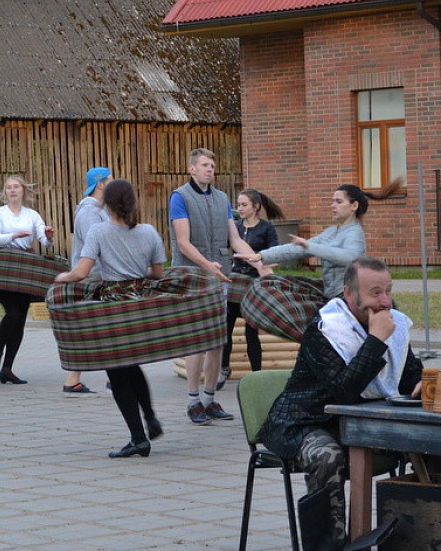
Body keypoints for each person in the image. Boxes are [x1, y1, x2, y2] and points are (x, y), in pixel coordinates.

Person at [259, 257, 423, 549]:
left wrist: (424, 384)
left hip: (358, 424)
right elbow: (344, 391)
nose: (385, 301)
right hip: (302, 421)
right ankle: (328, 546)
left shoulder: (389, 318)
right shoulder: (324, 329)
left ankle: (416, 535)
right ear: (350, 294)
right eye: (375, 293)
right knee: (327, 456)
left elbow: (409, 375)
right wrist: (375, 341)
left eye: (388, 290)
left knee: (426, 440)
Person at [55, 178, 165, 457]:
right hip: (139, 307)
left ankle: (139, 438)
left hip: (113, 309)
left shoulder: (99, 231)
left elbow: (81, 272)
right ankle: (150, 415)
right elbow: (158, 273)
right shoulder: (149, 232)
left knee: (117, 373)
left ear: (106, 203)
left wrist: (62, 277)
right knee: (132, 364)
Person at [237, 179, 401, 342]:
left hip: (349, 301)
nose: (333, 205)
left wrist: (310, 247)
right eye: (332, 201)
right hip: (332, 296)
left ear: (354, 206)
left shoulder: (354, 233)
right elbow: (299, 248)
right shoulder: (332, 232)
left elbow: (349, 257)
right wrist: (262, 256)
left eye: (338, 201)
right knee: (268, 284)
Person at [169, 148, 259, 425]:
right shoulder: (179, 197)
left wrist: (259, 262)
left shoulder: (221, 199)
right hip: (193, 277)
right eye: (204, 165)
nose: (210, 169)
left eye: (212, 165)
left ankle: (209, 399)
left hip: (220, 276)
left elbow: (235, 239)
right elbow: (183, 242)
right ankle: (193, 401)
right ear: (192, 169)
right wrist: (208, 265)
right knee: (197, 340)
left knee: (217, 340)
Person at [0, 175, 54, 384]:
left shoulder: (32, 215)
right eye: (9, 188)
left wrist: (49, 236)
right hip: (4, 264)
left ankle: (7, 369)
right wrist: (14, 236)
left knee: (21, 319)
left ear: (23, 190)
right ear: (4, 192)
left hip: (26, 266)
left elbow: (44, 240)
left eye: (16, 187)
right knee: (12, 313)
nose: (13, 190)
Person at [218, 189, 285, 388]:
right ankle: (223, 368)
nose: (239, 208)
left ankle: (257, 376)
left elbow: (274, 253)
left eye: (244, 205)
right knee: (226, 328)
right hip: (234, 283)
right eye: (238, 205)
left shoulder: (266, 228)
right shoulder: (235, 227)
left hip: (254, 285)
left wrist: (266, 263)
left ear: (255, 207)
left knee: (251, 332)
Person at [61, 167, 113, 398]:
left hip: (99, 276)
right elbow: (97, 247)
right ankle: (73, 382)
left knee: (102, 328)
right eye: (110, 179)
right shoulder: (89, 213)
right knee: (96, 329)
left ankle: (111, 378)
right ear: (100, 184)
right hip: (92, 278)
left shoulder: (99, 210)